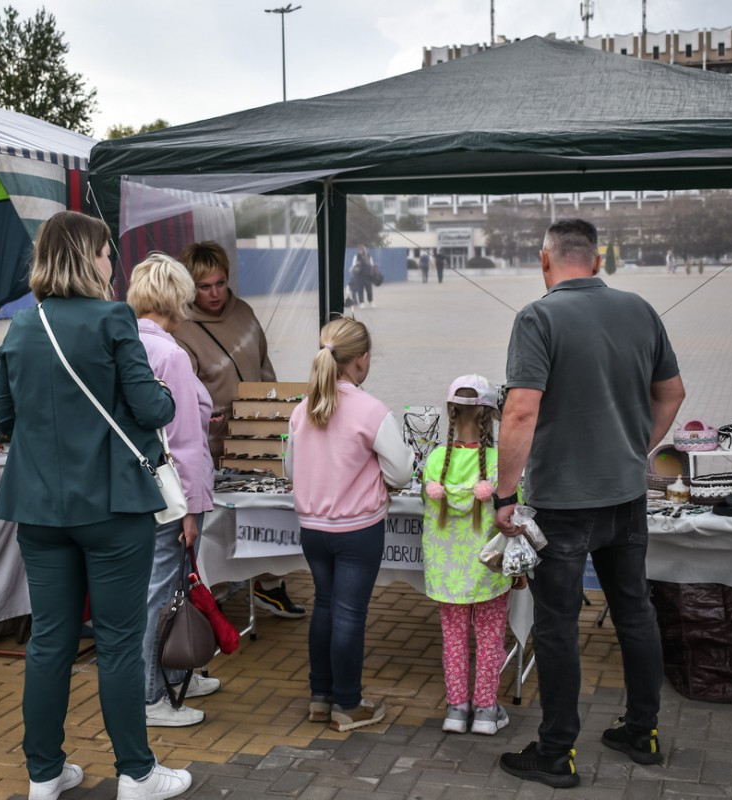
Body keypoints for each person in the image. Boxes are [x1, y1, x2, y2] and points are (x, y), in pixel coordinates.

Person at [0, 211, 192, 800]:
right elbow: (154, 409)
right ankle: (135, 772)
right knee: (118, 640)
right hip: (111, 506)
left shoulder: (22, 328)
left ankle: (44, 774)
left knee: (50, 640)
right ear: (87, 257)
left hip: (38, 508)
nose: (113, 263)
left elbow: (6, 420)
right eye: (107, 252)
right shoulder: (113, 318)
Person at [494, 219, 685, 789]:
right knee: (634, 611)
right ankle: (643, 732)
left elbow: (521, 412)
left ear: (544, 260)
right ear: (597, 261)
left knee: (558, 625)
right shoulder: (641, 310)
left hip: (563, 503)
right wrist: (635, 449)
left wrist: (505, 494)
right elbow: (672, 393)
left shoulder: (537, 316)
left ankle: (557, 752)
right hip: (625, 495)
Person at [284, 317, 413, 732]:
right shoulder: (370, 409)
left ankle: (320, 697)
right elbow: (402, 472)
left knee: (325, 604)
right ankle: (348, 704)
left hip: (312, 528)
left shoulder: (303, 409)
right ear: (363, 360)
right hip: (358, 529)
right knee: (349, 613)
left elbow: (289, 467)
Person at [174, 240, 305, 619]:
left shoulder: (244, 312)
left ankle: (270, 586)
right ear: (189, 287)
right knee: (218, 524)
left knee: (267, 515)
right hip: (212, 444)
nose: (215, 293)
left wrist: (275, 409)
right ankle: (207, 596)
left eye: (220, 282)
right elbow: (186, 392)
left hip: (257, 435)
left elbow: (264, 366)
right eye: (205, 286)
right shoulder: (182, 328)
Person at [126, 253, 220, 729]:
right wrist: (190, 508)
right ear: (176, 297)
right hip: (174, 492)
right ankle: (149, 694)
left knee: (162, 588)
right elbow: (182, 439)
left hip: (139, 487)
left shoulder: (126, 346)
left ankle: (173, 668)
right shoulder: (171, 354)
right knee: (162, 590)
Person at [422, 374, 514, 737]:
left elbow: (424, 504)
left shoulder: (434, 461)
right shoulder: (499, 462)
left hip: (447, 571)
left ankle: (457, 710)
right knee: (490, 637)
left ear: (450, 413)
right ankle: (487, 711)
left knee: (454, 637)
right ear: (489, 417)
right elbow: (514, 510)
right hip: (486, 567)